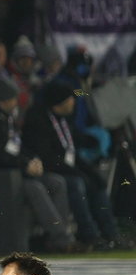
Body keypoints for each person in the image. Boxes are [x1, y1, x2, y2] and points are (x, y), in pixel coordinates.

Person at [0, 78, 85, 253]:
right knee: (35, 188)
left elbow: (19, 147)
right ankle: (63, 240)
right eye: (13, 98)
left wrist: (33, 160)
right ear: (2, 101)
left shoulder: (6, 118)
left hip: (16, 171)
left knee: (56, 182)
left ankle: (54, 239)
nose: (16, 102)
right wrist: (24, 165)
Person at [22, 81, 133, 250]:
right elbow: (48, 158)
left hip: (65, 168)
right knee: (76, 183)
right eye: (69, 99)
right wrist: (79, 173)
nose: (73, 102)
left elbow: (72, 149)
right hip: (49, 170)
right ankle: (89, 234)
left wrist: (91, 170)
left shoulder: (64, 120)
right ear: (59, 102)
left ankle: (110, 233)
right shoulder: (38, 121)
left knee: (97, 181)